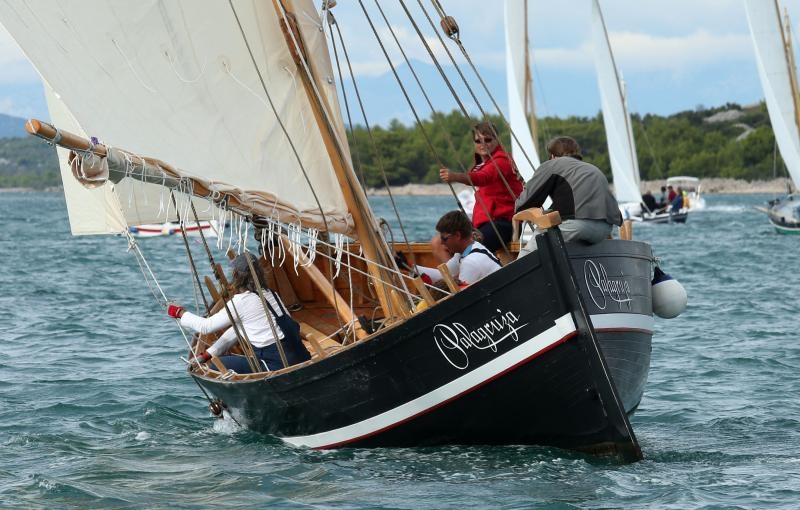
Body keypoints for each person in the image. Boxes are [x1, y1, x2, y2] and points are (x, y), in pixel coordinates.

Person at [167, 252, 311, 373]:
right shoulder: (271, 294)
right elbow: (238, 329)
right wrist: (208, 354)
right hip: (301, 356)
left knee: (214, 366)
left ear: (237, 276)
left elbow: (205, 327)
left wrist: (179, 312)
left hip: (276, 364)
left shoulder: (240, 303)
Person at [515, 136, 622, 257]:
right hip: (604, 229)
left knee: (535, 244)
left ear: (552, 156)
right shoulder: (593, 169)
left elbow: (525, 203)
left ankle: (517, 268)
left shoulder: (552, 165)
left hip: (576, 226)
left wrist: (518, 204)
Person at [438, 121, 523, 252]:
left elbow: (483, 177)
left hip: (503, 224)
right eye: (478, 141)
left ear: (497, 140)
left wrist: (454, 176)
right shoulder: (481, 165)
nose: (483, 144)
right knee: (438, 243)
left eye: (487, 140)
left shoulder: (502, 161)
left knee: (470, 246)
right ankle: (452, 266)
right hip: (484, 224)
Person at [411, 210, 502, 287]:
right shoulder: (466, 251)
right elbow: (444, 275)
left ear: (458, 235)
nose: (441, 243)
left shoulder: (470, 262)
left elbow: (460, 297)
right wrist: (411, 268)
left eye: (444, 238)